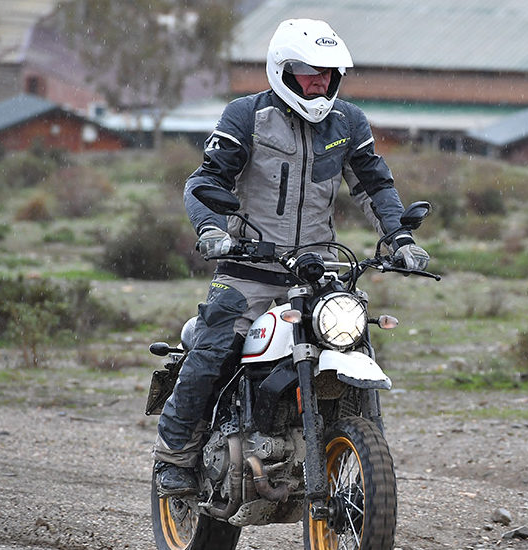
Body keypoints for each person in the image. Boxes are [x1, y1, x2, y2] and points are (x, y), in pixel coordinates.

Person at [153, 18, 429, 495]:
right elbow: (205, 182)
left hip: (319, 272)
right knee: (215, 348)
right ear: (283, 70)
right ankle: (174, 457)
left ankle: (360, 461)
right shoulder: (246, 115)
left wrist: (400, 238)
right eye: (308, 71)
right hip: (249, 270)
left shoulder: (348, 122)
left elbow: (373, 185)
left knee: (352, 342)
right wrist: (213, 231)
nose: (320, 81)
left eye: (328, 72)